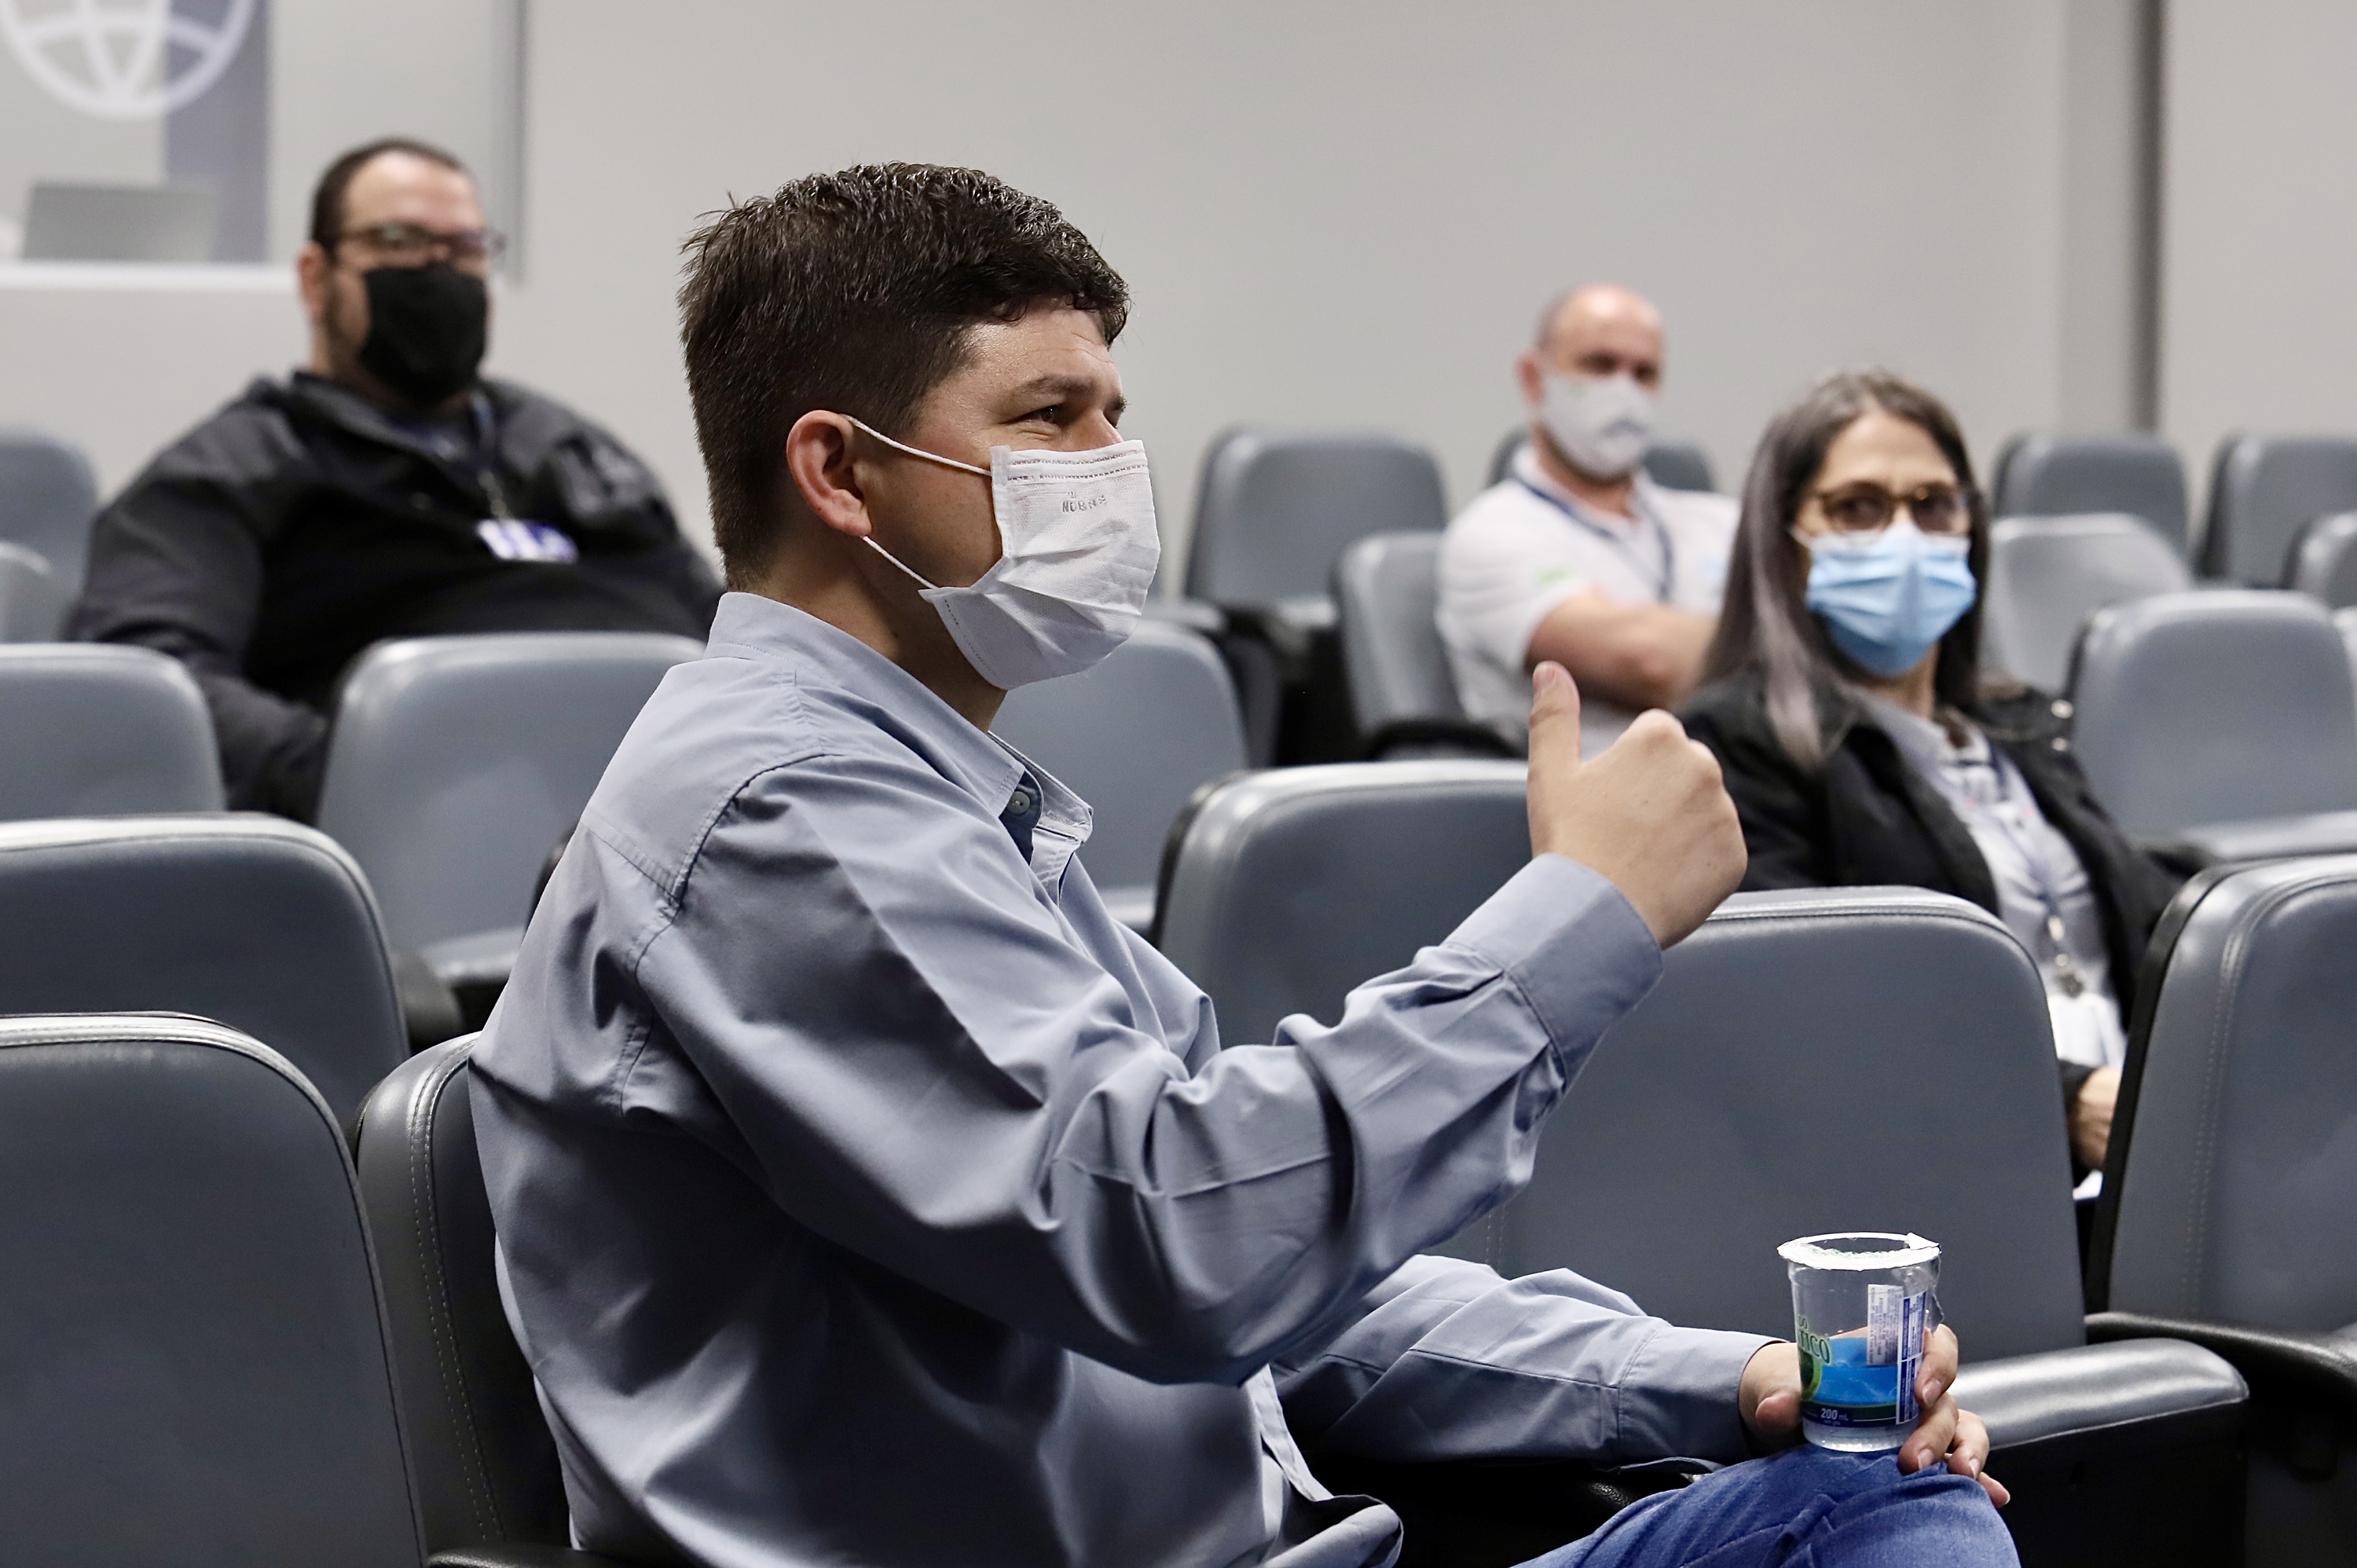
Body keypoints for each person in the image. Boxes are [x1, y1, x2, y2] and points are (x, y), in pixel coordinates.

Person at [468, 165, 2012, 1568]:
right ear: (841, 473)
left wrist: (1721, 1375)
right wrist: (1577, 920)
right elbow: (1187, 1239)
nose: (1113, 465)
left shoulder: (941, 802)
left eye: (1112, 415)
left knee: (1878, 1496)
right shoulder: (777, 808)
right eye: (1049, 417)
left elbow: (1298, 1297)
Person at [68, 137, 720, 819]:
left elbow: (728, 630)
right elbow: (148, 684)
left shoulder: (569, 449)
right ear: (316, 278)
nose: (439, 271)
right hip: (422, 848)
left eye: (466, 249)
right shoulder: (229, 472)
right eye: (400, 242)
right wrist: (369, 780)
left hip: (675, 815)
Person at [1681, 370, 2183, 1181]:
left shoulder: (2020, 723)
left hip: (2134, 1165)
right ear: (1785, 544)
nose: (1904, 536)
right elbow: (1826, 1009)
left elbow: (2146, 914)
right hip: (1945, 1178)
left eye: (1932, 504)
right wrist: (2064, 1101)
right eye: (1858, 508)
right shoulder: (1737, 742)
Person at [1439, 285, 1737, 754]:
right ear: (1535, 378)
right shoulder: (1492, 535)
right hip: (1587, 814)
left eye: (1644, 374)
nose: (1625, 391)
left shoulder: (1721, 524)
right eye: (1600, 365)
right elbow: (1649, 663)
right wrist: (1789, 642)